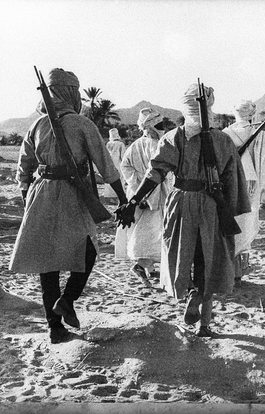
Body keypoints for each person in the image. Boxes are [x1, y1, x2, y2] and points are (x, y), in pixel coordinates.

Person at [116, 84, 250, 337]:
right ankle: (204, 322)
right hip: (211, 204)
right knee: (207, 257)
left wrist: (133, 202)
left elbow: (154, 173)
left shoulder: (172, 137)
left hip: (179, 202)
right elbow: (232, 179)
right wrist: (227, 209)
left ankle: (189, 291)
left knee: (181, 253)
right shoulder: (223, 140)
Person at [9, 68, 127, 344]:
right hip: (73, 194)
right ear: (71, 93)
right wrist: (123, 199)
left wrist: (28, 196)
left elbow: (23, 169)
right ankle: (67, 300)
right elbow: (106, 166)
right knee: (88, 251)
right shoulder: (82, 124)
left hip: (41, 193)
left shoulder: (36, 125)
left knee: (47, 264)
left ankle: (55, 327)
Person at [115, 108, 171, 287]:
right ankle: (141, 265)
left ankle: (149, 268)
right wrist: (142, 189)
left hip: (141, 193)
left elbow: (126, 168)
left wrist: (136, 187)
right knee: (153, 231)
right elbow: (153, 173)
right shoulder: (157, 145)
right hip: (153, 193)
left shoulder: (135, 145)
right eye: (159, 124)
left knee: (147, 231)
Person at [223, 101, 265, 286]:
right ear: (252, 114)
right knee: (244, 223)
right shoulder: (257, 133)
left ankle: (230, 270)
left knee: (230, 224)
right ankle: (238, 271)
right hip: (249, 184)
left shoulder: (225, 133)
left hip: (228, 184)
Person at [103, 128, 126, 203]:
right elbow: (123, 156)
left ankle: (111, 198)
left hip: (110, 164)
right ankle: (118, 198)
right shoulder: (120, 144)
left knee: (111, 180)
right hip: (118, 164)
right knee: (119, 181)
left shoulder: (108, 144)